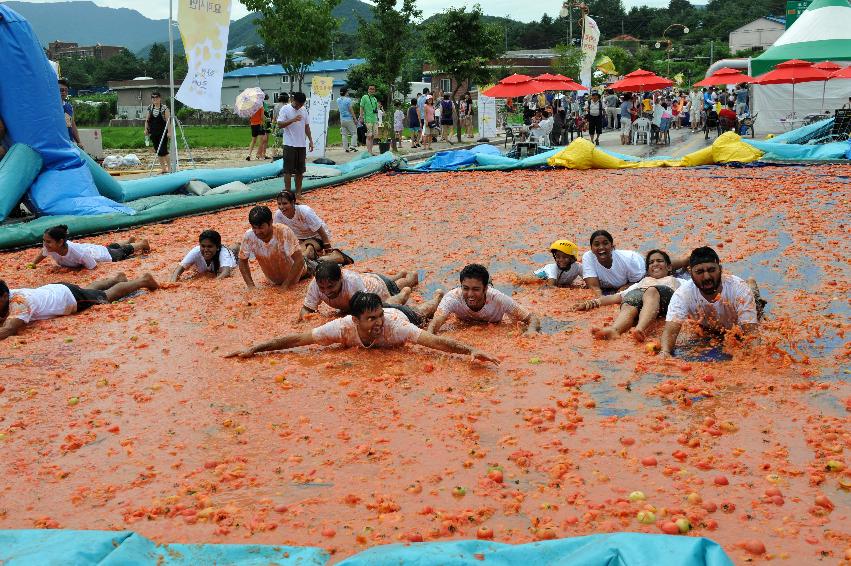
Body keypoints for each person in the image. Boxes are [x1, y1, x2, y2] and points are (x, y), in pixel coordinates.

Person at [226, 291, 499, 364]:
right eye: (371, 319)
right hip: (387, 308)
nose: (377, 323)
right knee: (403, 304)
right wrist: (256, 348)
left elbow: (434, 343)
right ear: (356, 320)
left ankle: (436, 297)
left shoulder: (391, 326)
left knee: (423, 314)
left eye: (377, 317)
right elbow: (299, 340)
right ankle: (406, 292)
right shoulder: (342, 328)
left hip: (401, 316)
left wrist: (470, 349)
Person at [660, 246, 760, 357]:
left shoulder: (739, 289)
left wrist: (755, 357)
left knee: (757, 309)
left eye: (712, 270)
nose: (707, 277)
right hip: (707, 327)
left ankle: (752, 287)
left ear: (720, 269)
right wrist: (665, 352)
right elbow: (670, 330)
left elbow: (751, 332)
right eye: (700, 272)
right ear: (690, 272)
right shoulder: (682, 294)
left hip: (737, 326)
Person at [0, 273, 159, 341]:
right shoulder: (8, 295)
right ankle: (117, 278)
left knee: (105, 297)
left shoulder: (19, 302)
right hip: (56, 290)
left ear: (5, 296)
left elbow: (8, 330)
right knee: (88, 291)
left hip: (68, 299)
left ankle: (143, 281)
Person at [576, 249, 682, 341]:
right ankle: (615, 330)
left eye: (659, 261)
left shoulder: (677, 281)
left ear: (669, 267)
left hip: (662, 301)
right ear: (648, 270)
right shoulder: (643, 281)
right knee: (629, 301)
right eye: (651, 262)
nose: (655, 264)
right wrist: (593, 302)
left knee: (651, 291)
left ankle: (640, 329)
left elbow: (690, 296)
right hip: (642, 299)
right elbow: (618, 296)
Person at [428, 264, 540, 336]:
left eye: (476, 289)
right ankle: (438, 297)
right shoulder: (452, 298)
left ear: (485, 288)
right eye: (465, 288)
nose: (470, 294)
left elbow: (532, 318)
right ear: (461, 286)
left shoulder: (499, 299)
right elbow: (435, 324)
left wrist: (531, 332)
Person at [299, 261, 419, 320]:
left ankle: (410, 279)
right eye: (322, 288)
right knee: (391, 281)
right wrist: (307, 322)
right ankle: (400, 275)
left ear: (340, 278)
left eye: (331, 287)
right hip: (365, 278)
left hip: (378, 287)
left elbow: (363, 311)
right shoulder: (315, 284)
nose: (326, 292)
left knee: (396, 286)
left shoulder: (351, 282)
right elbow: (307, 309)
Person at [273, 191, 352, 265]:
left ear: (293, 202)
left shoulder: (304, 211)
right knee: (293, 255)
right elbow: (279, 233)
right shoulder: (278, 215)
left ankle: (335, 257)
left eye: (285, 203)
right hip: (299, 239)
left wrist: (327, 246)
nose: (281, 207)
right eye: (279, 204)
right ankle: (319, 256)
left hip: (316, 237)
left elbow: (320, 229)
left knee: (298, 256)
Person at [238, 205, 304, 290]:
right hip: (273, 282)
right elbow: (242, 261)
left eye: (261, 227)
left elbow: (299, 260)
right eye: (254, 228)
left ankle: (310, 249)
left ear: (271, 222)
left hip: (301, 275)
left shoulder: (284, 232)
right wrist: (251, 286)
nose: (257, 232)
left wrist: (286, 285)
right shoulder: (249, 235)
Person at [29, 225, 149, 270]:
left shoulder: (77, 253)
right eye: (44, 240)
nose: (45, 244)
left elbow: (93, 266)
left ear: (60, 242)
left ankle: (141, 243)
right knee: (109, 247)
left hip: (102, 256)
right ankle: (128, 240)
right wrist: (33, 263)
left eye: (48, 242)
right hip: (92, 248)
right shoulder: (49, 248)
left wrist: (71, 270)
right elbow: (42, 253)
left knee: (121, 252)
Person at [581, 230, 645, 296]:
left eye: (605, 243)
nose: (601, 247)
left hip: (640, 266)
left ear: (612, 246)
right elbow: (594, 287)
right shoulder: (588, 257)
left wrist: (624, 287)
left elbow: (638, 281)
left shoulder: (629, 259)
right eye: (597, 244)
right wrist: (600, 300)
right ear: (591, 248)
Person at [276, 91, 313, 199]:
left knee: (300, 170)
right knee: (288, 170)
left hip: (301, 144)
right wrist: (292, 120)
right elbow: (279, 124)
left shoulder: (304, 110)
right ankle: (287, 194)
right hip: (289, 144)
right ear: (293, 100)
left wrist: (310, 140)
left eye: (301, 104)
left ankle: (298, 193)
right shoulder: (285, 109)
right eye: (298, 104)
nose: (299, 106)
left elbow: (306, 126)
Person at [170, 230, 236, 281]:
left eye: (210, 246)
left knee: (235, 250)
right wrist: (172, 283)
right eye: (203, 246)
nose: (206, 249)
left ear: (217, 247)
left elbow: (226, 272)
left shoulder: (223, 253)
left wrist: (210, 285)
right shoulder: (196, 251)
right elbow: (179, 269)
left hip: (232, 258)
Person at [144, 92, 170, 174]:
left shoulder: (164, 108)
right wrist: (146, 130)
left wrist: (169, 132)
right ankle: (163, 169)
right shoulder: (150, 108)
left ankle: (170, 168)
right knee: (158, 151)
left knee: (164, 151)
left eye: (156, 97)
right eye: (153, 97)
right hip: (153, 133)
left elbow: (168, 122)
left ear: (160, 98)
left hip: (163, 133)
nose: (155, 99)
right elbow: (147, 120)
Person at [246, 93, 269, 161]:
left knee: (253, 140)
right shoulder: (261, 106)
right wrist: (266, 119)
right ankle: (260, 155)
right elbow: (262, 117)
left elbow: (250, 116)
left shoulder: (251, 107)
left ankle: (249, 154)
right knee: (261, 141)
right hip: (260, 125)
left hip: (253, 124)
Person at [58, 78, 81, 146]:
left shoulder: (69, 107)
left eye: (66, 91)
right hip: (56, 144)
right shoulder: (50, 107)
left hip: (69, 143)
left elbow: (72, 125)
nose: (64, 92)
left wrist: (79, 142)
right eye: (61, 90)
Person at [359, 85, 380, 155]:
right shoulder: (364, 97)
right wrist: (361, 117)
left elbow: (376, 110)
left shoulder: (375, 99)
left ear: (375, 90)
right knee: (369, 135)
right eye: (370, 89)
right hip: (368, 119)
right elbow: (361, 107)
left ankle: (371, 151)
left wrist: (377, 114)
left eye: (373, 89)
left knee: (373, 136)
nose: (372, 90)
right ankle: (369, 152)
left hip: (374, 120)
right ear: (368, 90)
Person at [337, 87, 357, 153]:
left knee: (344, 134)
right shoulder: (348, 100)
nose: (348, 93)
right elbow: (351, 109)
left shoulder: (338, 100)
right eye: (347, 91)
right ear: (345, 92)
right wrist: (355, 118)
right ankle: (352, 145)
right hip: (349, 119)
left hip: (342, 119)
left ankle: (346, 148)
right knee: (354, 133)